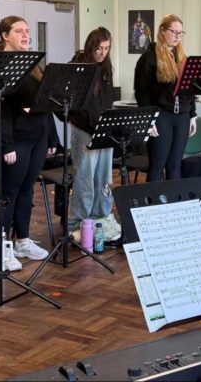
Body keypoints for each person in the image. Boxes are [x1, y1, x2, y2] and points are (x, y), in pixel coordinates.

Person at [0, 16, 55, 272]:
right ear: (5, 35)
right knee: (7, 195)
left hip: (37, 138)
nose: (26, 36)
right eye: (19, 31)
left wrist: (52, 139)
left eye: (27, 32)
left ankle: (22, 240)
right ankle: (0, 249)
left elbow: (45, 103)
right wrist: (5, 145)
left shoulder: (33, 64)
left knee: (26, 192)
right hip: (15, 142)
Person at [68, 27, 121, 244]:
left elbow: (106, 100)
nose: (102, 52)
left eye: (106, 48)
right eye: (99, 48)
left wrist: (106, 124)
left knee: (103, 178)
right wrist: (90, 123)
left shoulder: (106, 67)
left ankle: (102, 217)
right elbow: (75, 103)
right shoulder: (78, 65)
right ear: (91, 45)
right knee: (85, 179)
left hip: (103, 129)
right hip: (85, 131)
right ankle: (78, 223)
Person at [134, 14, 196, 181]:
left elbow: (190, 89)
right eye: (173, 31)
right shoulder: (149, 57)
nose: (177, 36)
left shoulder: (182, 57)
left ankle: (173, 205)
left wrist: (192, 115)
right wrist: (148, 119)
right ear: (162, 31)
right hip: (161, 116)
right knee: (157, 165)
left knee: (175, 165)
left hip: (182, 116)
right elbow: (141, 92)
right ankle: (153, 206)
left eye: (180, 33)